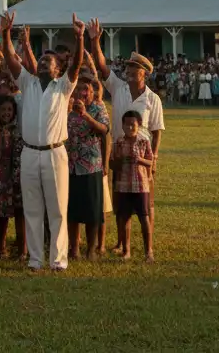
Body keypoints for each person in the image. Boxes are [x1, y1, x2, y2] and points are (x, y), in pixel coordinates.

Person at [0, 10, 84, 272]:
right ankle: (36, 260)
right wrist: (5, 33)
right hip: (29, 153)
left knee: (57, 209)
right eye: (42, 60)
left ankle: (58, 261)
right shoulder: (28, 82)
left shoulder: (64, 87)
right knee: (32, 208)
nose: (45, 63)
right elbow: (10, 59)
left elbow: (77, 64)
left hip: (54, 153)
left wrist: (80, 38)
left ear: (58, 69)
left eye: (50, 61)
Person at [90, 24, 165, 250]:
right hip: (119, 150)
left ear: (145, 73)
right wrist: (95, 41)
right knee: (121, 198)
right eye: (129, 69)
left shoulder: (153, 99)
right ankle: (123, 243)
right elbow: (102, 67)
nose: (129, 72)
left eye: (135, 70)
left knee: (144, 201)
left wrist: (154, 160)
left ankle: (147, 246)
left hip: (142, 153)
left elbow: (156, 130)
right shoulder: (118, 88)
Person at [66, 75, 110, 260]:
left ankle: (91, 249)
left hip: (91, 165)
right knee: (72, 210)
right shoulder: (67, 107)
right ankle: (74, 248)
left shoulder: (98, 108)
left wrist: (85, 115)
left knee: (93, 210)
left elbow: (104, 130)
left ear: (93, 92)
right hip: (70, 165)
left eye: (87, 90)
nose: (82, 93)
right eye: (79, 89)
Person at [110, 110, 155, 261]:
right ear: (122, 125)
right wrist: (121, 161)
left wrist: (139, 160)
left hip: (140, 185)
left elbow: (150, 162)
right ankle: (126, 250)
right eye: (126, 125)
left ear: (139, 125)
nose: (129, 128)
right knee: (124, 218)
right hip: (123, 186)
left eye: (133, 125)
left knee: (144, 217)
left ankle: (148, 251)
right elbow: (112, 163)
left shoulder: (144, 141)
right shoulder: (119, 142)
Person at [0, 94, 24, 260]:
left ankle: (11, 247)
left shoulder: (16, 131)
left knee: (12, 214)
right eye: (2, 109)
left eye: (9, 110)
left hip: (11, 176)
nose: (6, 113)